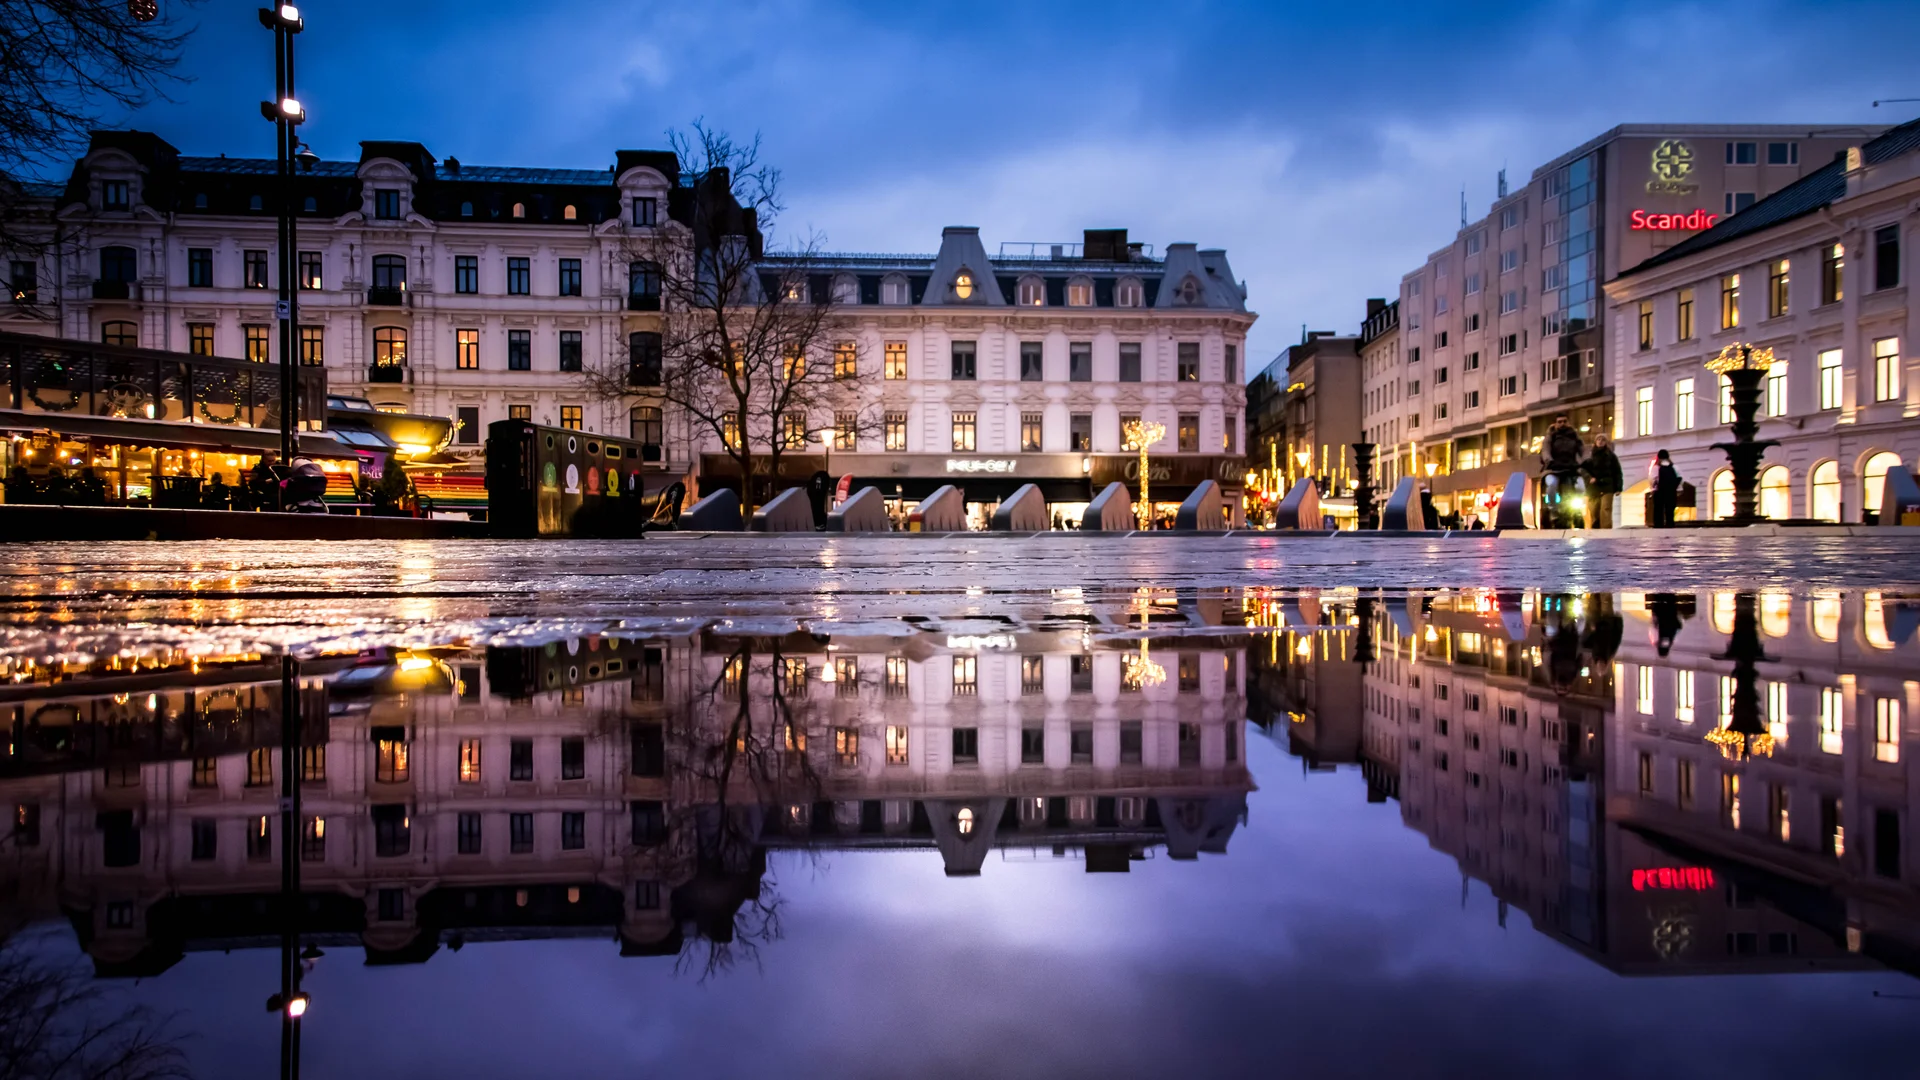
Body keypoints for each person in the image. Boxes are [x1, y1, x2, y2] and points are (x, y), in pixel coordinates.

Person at [1540, 414, 1586, 527]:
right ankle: (1553, 511)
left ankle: (1577, 510)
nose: (1562, 424)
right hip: (1553, 469)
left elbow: (1583, 450)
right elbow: (1545, 449)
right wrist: (1549, 460)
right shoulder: (1550, 436)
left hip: (1571, 468)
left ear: (1568, 422)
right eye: (1559, 422)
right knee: (1551, 485)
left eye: (1564, 421)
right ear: (1555, 424)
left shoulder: (1574, 436)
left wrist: (1585, 461)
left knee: (1581, 487)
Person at [1581, 433, 1623, 529]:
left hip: (1607, 485)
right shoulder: (1589, 456)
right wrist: (1589, 478)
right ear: (1595, 442)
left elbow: (1617, 472)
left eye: (1603, 440)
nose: (1600, 441)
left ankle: (1606, 531)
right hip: (1593, 487)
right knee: (1594, 510)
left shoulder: (1611, 456)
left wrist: (1618, 487)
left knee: (1606, 509)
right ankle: (1595, 531)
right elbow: (1582, 469)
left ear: (1606, 442)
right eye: (1598, 439)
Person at [1650, 449, 1682, 528]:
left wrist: (1653, 489)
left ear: (1658, 457)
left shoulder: (1656, 467)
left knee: (1658, 509)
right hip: (1671, 491)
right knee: (1670, 509)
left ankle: (1658, 525)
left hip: (1659, 491)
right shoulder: (1674, 467)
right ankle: (1670, 525)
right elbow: (1680, 478)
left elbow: (1652, 479)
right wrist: (1679, 489)